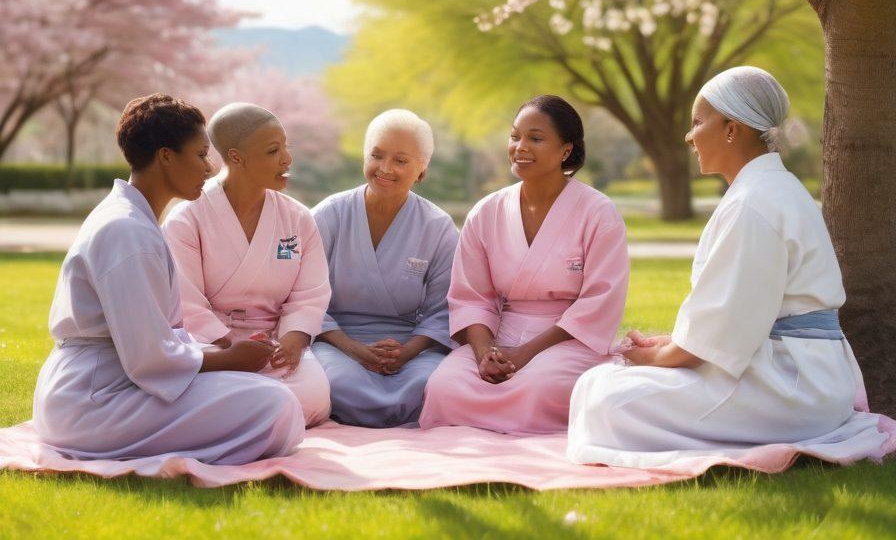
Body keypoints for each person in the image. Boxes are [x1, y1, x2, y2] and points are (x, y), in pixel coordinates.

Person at [568, 66, 888, 467]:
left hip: (789, 387)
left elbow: (728, 326)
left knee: (606, 399)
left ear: (732, 130)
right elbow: (738, 317)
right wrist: (670, 343)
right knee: (598, 384)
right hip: (800, 376)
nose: (689, 136)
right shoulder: (771, 190)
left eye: (698, 122)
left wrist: (657, 357)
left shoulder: (755, 204)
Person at [32, 94, 303, 463]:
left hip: (113, 386)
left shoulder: (136, 221)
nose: (209, 169)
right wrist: (230, 358)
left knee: (268, 397)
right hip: (94, 402)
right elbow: (149, 358)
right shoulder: (126, 232)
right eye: (201, 155)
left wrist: (220, 354)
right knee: (275, 405)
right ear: (165, 156)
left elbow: (155, 345)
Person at [420, 95, 629, 435]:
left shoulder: (598, 213)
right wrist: (486, 351)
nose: (520, 147)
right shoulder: (486, 212)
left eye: (535, 138)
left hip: (568, 339)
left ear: (566, 150)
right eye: (515, 136)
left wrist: (524, 355)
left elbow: (599, 300)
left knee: (538, 389)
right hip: (499, 335)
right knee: (444, 387)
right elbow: (471, 297)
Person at [163, 102, 332, 428]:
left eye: (286, 147)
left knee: (314, 396)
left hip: (276, 344)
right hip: (212, 345)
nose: (287, 159)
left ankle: (248, 413)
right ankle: (259, 411)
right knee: (198, 387)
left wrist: (294, 341)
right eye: (273, 151)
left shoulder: (298, 218)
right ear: (236, 157)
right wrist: (229, 345)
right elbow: (186, 302)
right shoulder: (188, 218)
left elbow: (310, 294)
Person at [311, 109, 458, 427]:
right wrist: (354, 349)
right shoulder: (329, 216)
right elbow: (304, 297)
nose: (385, 169)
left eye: (401, 161)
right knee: (336, 382)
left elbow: (442, 311)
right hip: (337, 342)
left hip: (409, 346)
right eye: (376, 156)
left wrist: (405, 352)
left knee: (433, 383)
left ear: (422, 169)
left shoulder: (438, 227)